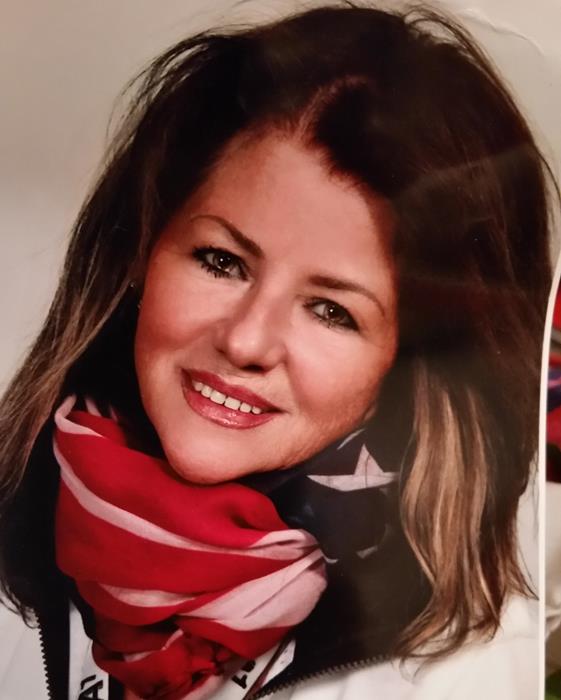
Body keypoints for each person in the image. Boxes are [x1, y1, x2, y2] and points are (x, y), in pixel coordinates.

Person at [0, 4, 554, 699]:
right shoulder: (25, 528)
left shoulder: (459, 674)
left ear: (411, 366)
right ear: (141, 252)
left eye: (332, 311)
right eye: (221, 260)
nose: (245, 340)